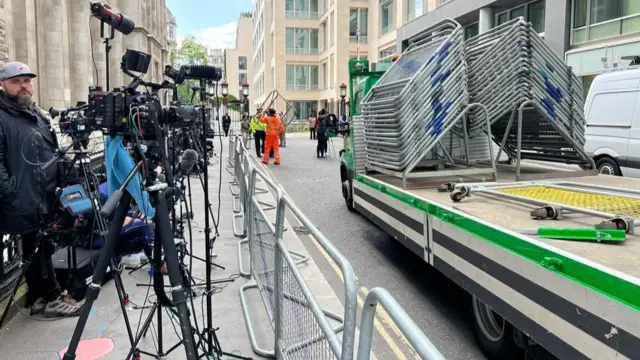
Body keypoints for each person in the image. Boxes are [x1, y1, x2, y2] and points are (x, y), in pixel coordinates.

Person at [0, 62, 84, 316]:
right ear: (3, 85)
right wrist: (11, 192)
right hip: (21, 197)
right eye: (17, 81)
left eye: (27, 80)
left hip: (44, 196)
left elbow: (53, 152)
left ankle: (38, 297)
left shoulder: (37, 115)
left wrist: (69, 174)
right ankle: (52, 296)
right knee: (36, 248)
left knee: (41, 247)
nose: (24, 86)